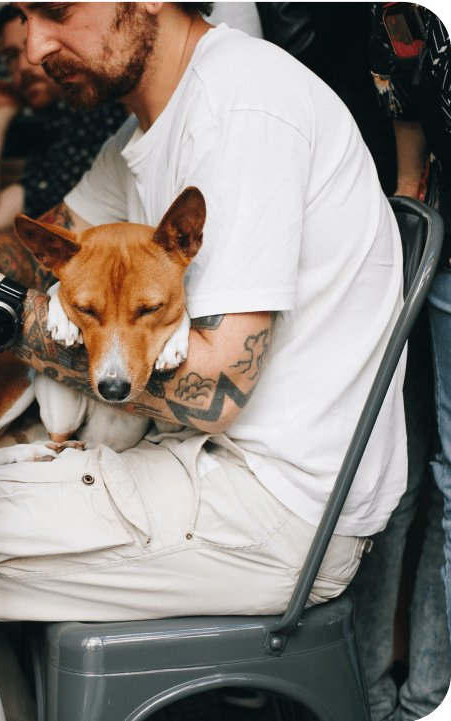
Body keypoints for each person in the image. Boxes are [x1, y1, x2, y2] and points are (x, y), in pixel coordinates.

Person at [0, 3, 406, 719]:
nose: (37, 46)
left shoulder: (245, 111)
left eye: (58, 9)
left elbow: (215, 387)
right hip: (204, 466)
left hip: (270, 510)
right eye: (24, 15)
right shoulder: (150, 124)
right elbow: (53, 254)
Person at [351, 6, 451, 721]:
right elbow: (406, 104)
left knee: (428, 484)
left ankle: (412, 702)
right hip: (428, 249)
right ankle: (382, 701)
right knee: (404, 476)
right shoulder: (391, 16)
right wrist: (407, 205)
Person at [0, 4, 127, 236]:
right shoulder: (57, 127)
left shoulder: (103, 112)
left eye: (28, 44)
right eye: (11, 55)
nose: (24, 64)